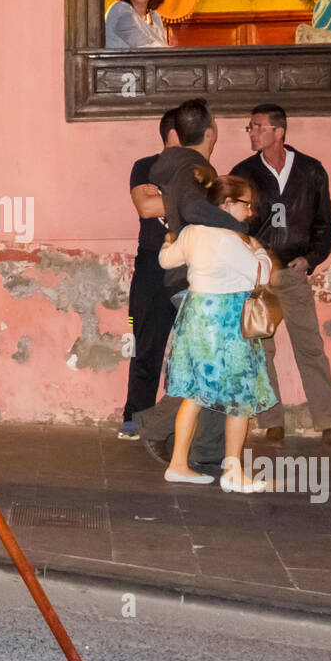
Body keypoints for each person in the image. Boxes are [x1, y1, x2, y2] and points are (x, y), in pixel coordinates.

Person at [231, 104, 331, 448]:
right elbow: (233, 223)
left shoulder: (310, 171)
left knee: (310, 347)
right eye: (250, 127)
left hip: (293, 274)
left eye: (257, 127)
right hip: (258, 276)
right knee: (260, 349)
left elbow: (325, 222)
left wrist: (311, 258)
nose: (251, 132)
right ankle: (272, 422)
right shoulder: (244, 172)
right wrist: (248, 259)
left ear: (278, 132)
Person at [131, 98, 246, 475]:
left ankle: (204, 449)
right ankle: (163, 427)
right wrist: (238, 228)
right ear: (210, 131)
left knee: (212, 367)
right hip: (199, 281)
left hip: (186, 274)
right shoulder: (194, 168)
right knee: (214, 368)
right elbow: (195, 212)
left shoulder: (170, 166)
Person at [158, 175, 277, 492]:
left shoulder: (193, 232)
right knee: (239, 397)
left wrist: (169, 240)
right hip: (226, 321)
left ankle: (178, 465)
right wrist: (259, 250)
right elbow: (261, 275)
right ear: (226, 204)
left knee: (195, 395)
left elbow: (166, 259)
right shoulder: (227, 237)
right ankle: (233, 473)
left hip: (196, 317)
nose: (249, 213)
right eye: (245, 205)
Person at [119, 106, 180, 439]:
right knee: (145, 346)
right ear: (174, 135)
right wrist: (186, 199)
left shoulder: (202, 171)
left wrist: (165, 197)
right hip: (151, 268)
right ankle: (135, 418)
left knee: (193, 349)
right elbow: (146, 206)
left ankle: (183, 424)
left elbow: (210, 207)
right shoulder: (145, 166)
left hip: (192, 266)